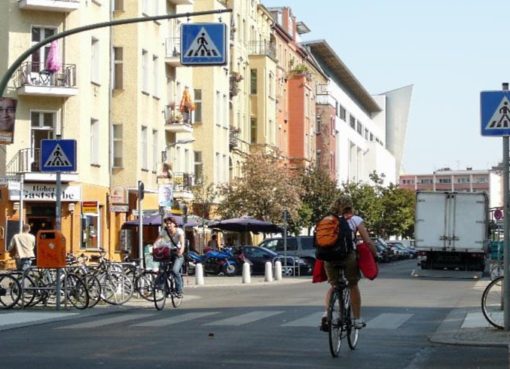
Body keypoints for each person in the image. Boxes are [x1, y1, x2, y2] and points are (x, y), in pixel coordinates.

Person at [321, 195, 377, 331]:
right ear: (350, 206)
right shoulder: (355, 220)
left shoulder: (326, 219)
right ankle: (357, 320)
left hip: (328, 257)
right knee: (352, 285)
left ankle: (327, 313)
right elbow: (367, 241)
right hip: (347, 257)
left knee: (334, 285)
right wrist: (375, 254)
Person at [154, 216, 185, 297]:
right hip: (167, 252)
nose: (168, 225)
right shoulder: (164, 231)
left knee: (175, 271)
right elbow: (157, 241)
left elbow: (182, 243)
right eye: (167, 224)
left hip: (177, 253)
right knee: (162, 270)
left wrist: (181, 251)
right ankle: (163, 288)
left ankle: (179, 291)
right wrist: (153, 249)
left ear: (174, 224)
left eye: (170, 223)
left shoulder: (179, 231)